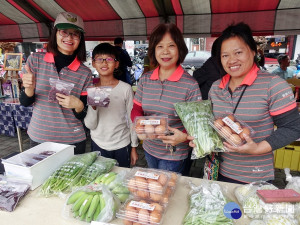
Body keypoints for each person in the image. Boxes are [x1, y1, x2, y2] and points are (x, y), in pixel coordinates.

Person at [188, 22, 300, 184]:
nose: (232, 60)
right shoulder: (216, 88)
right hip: (218, 170)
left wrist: (258, 148)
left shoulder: (273, 85)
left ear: (253, 51)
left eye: (238, 52)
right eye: (225, 55)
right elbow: (212, 126)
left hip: (255, 176)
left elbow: (293, 127)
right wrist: (195, 138)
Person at [131, 23, 202, 173]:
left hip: (174, 153)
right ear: (153, 50)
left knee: (168, 192)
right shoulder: (146, 79)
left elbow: (198, 125)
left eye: (171, 46)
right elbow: (136, 108)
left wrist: (184, 137)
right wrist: (138, 124)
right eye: (159, 46)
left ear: (180, 49)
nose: (165, 52)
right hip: (149, 149)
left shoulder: (190, 85)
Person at [20, 12, 92, 154]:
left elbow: (83, 114)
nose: (69, 38)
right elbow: (25, 102)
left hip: (73, 140)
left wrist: (78, 105)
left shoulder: (85, 72)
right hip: (40, 137)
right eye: (64, 32)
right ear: (55, 33)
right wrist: (29, 88)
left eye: (75, 34)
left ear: (80, 39)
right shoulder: (35, 60)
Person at [84, 43, 138, 167]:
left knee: (120, 180)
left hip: (122, 144)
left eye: (109, 59)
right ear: (93, 63)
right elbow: (90, 124)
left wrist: (134, 146)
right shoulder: (92, 90)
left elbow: (132, 120)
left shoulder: (126, 89)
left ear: (116, 64)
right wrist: (93, 108)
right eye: (99, 59)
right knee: (101, 181)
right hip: (98, 144)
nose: (104, 63)